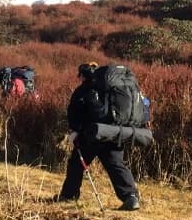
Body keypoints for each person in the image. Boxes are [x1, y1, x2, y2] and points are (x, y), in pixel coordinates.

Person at [54, 61, 141, 210]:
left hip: (92, 134)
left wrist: (74, 131)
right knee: (116, 165)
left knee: (76, 163)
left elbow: (75, 111)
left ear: (82, 76)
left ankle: (68, 196)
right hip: (115, 131)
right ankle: (131, 197)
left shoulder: (85, 89)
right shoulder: (109, 87)